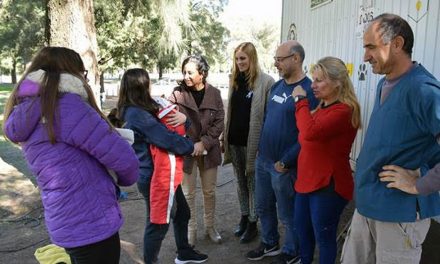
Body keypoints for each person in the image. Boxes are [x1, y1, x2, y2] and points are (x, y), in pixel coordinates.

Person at [3, 47, 140, 264]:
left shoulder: (25, 111)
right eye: (83, 73)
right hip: (92, 221)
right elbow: (125, 160)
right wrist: (121, 178)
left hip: (62, 220)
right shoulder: (67, 106)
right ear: (72, 73)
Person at [341, 13, 440, 264]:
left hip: (399, 216)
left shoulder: (424, 90)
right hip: (367, 207)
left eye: (371, 47)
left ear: (397, 44)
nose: (365, 56)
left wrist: (421, 184)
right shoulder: (384, 83)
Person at [116, 68, 208, 264]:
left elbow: (173, 122)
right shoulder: (135, 114)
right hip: (155, 177)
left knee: (182, 212)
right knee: (158, 222)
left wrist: (185, 120)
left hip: (163, 173)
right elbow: (164, 137)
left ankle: (183, 252)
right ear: (141, 86)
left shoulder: (141, 108)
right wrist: (191, 147)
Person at [246, 40, 318, 264]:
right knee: (263, 205)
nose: (275, 63)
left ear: (295, 59)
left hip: (285, 166)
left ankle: (292, 250)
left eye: (280, 59)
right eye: (275, 59)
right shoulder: (277, 87)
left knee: (287, 213)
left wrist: (287, 161)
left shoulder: (309, 91)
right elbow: (268, 119)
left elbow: (308, 134)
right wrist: (260, 150)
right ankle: (270, 243)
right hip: (264, 160)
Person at [291, 56, 361, 264]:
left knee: (324, 237)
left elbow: (309, 132)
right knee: (303, 231)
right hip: (307, 181)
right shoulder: (323, 107)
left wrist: (300, 101)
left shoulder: (343, 110)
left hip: (328, 184)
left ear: (337, 82)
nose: (313, 85)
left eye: (319, 80)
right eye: (313, 79)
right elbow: (306, 133)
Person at [169, 55, 225, 245]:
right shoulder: (176, 94)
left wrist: (204, 143)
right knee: (187, 194)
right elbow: (169, 122)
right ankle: (190, 231)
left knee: (209, 192)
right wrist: (188, 144)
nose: (186, 76)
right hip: (187, 152)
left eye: (190, 72)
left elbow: (219, 123)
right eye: (184, 72)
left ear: (202, 73)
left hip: (209, 151)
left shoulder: (215, 94)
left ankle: (210, 227)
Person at [223, 42, 275, 244]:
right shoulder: (234, 80)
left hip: (252, 143)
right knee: (239, 182)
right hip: (234, 141)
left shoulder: (265, 82)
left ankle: (254, 222)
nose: (239, 62)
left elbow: (269, 116)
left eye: (243, 58)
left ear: (252, 58)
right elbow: (232, 111)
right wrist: (224, 137)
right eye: (236, 59)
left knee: (253, 182)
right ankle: (244, 216)